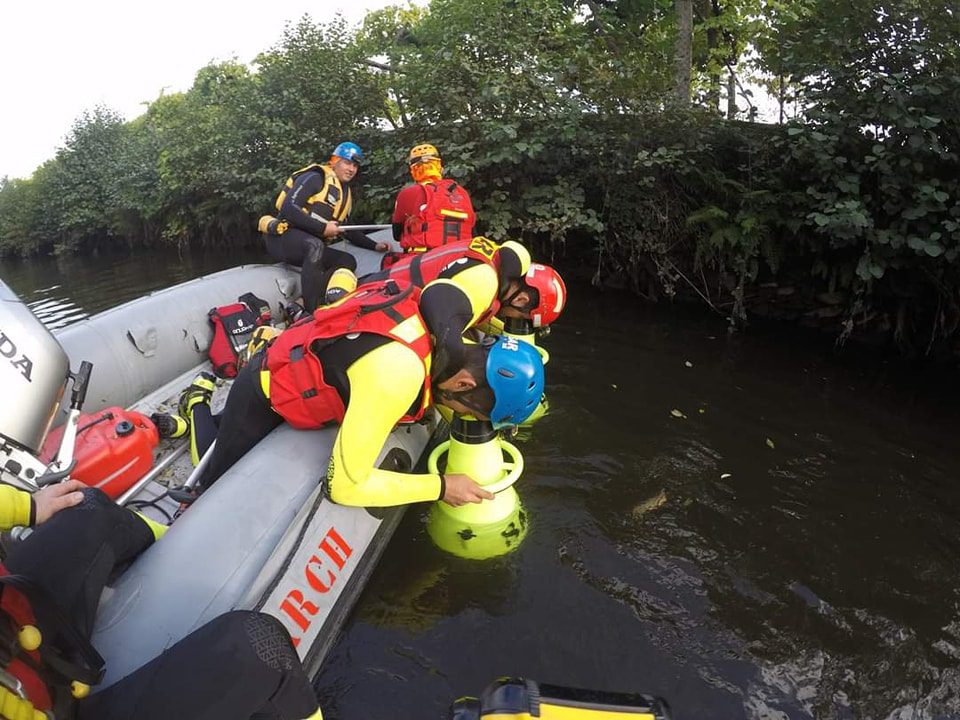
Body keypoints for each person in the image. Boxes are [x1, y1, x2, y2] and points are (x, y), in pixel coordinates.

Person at [187, 279, 545, 507]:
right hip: (263, 389)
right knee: (212, 476)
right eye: (471, 412)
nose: (464, 416)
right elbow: (345, 487)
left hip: (313, 363)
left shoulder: (457, 340)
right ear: (465, 385)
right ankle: (196, 404)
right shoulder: (398, 373)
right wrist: (440, 487)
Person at [0, 481, 322, 720]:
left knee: (89, 506)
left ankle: (180, 540)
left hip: (16, 625)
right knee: (261, 647)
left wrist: (25, 506)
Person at [363, 236, 567, 384]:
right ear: (521, 299)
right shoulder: (483, 284)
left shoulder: (495, 260)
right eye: (522, 318)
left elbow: (476, 311)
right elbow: (446, 340)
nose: (512, 319)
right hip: (372, 307)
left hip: (382, 285)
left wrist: (504, 338)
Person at [259, 142, 389, 311]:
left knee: (346, 260)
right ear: (334, 161)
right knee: (315, 245)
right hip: (282, 239)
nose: (352, 169)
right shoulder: (316, 177)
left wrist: (374, 245)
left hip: (309, 245)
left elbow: (346, 229)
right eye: (347, 163)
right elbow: (288, 208)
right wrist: (322, 228)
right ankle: (311, 312)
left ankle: (303, 301)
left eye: (355, 165)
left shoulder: (345, 193)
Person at [385, 144, 476, 266]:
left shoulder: (408, 193)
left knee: (387, 261)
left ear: (413, 170)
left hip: (425, 260)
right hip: (461, 258)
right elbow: (472, 230)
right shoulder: (462, 192)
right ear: (440, 167)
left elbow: (396, 234)